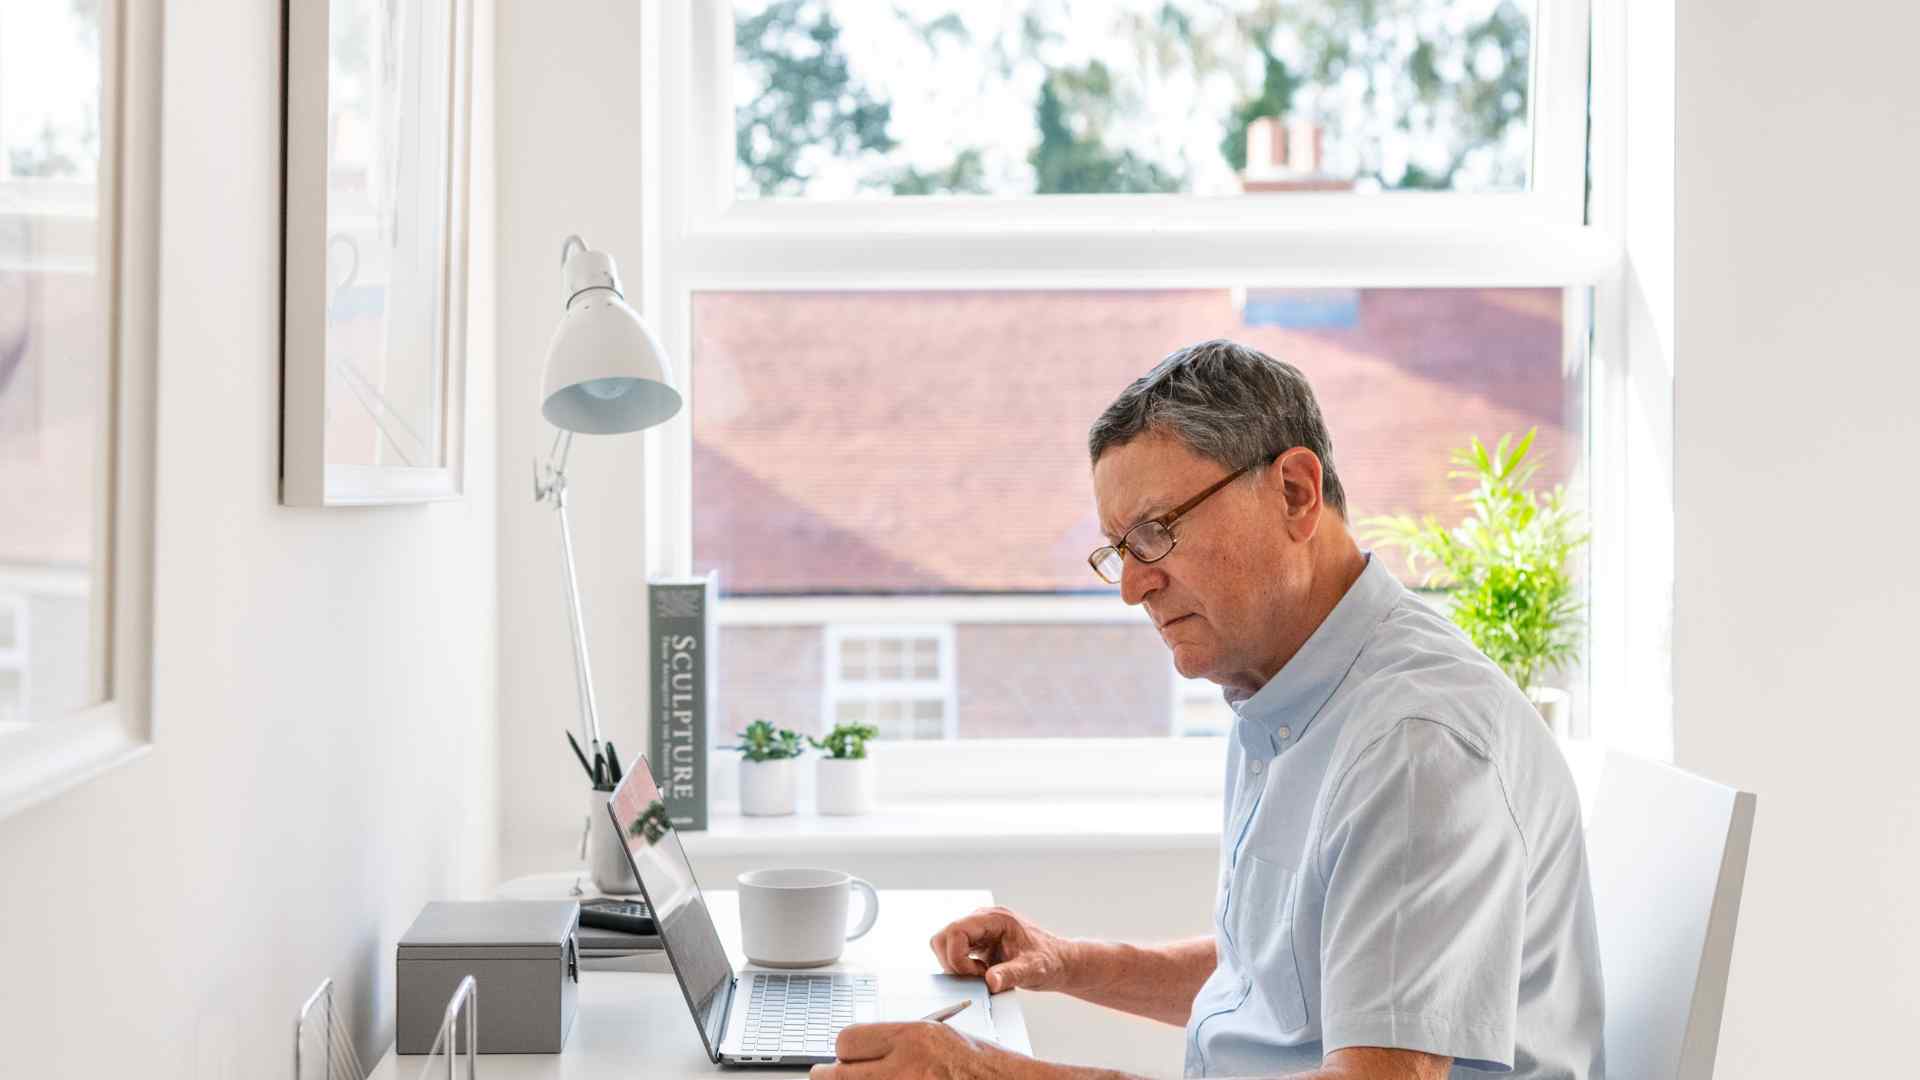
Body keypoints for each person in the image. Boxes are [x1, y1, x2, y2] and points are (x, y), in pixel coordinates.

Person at [811, 340, 1604, 1080]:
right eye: (1118, 549)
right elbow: (1273, 983)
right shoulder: (1285, 691)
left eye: (1155, 533)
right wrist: (1067, 961)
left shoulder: (1415, 743)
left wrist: (988, 1072)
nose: (1131, 585)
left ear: (1295, 491)